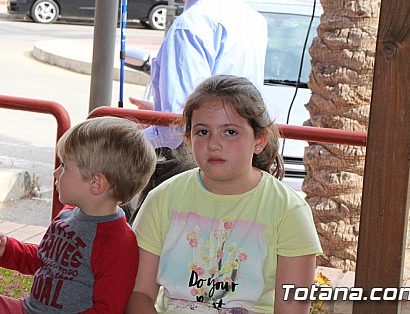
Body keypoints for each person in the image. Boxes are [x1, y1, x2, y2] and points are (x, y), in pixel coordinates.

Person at [126, 75, 321, 314]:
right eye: (203, 132)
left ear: (259, 140)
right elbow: (139, 294)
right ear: (188, 139)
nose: (214, 144)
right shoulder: (162, 199)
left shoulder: (289, 211)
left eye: (230, 132)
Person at [128, 0, 268, 221]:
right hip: (237, 154)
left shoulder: (190, 25)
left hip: (192, 161)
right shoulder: (250, 17)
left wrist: (140, 134)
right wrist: (157, 112)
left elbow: (177, 125)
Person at [0, 116, 158, 314]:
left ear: (96, 183)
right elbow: (44, 260)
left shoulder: (118, 241)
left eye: (64, 167)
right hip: (29, 308)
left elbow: (108, 308)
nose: (56, 174)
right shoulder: (67, 216)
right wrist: (7, 249)